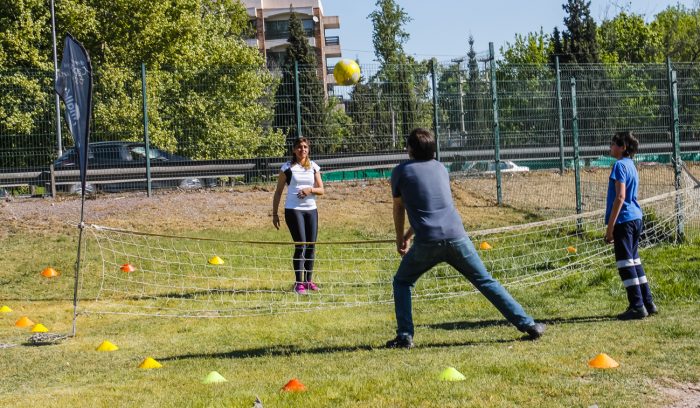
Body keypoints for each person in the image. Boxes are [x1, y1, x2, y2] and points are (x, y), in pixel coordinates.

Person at [386, 128, 545, 349]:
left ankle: (404, 336)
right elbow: (433, 207)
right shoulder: (441, 168)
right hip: (456, 236)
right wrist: (408, 235)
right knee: (485, 281)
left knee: (402, 282)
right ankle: (529, 325)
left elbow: (399, 207)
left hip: (427, 241)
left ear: (410, 149)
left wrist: (400, 238)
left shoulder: (400, 171)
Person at [604, 131, 657, 320]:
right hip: (636, 217)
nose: (610, 147)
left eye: (613, 144)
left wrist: (610, 228)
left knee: (625, 263)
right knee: (634, 261)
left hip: (624, 220)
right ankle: (648, 302)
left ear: (623, 147)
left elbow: (620, 197)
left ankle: (637, 306)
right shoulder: (631, 165)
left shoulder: (619, 165)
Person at [272, 137, 325, 295]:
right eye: (300, 147)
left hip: (311, 209)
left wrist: (310, 190)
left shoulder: (314, 167)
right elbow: (278, 192)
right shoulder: (287, 168)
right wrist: (275, 214)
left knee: (311, 245)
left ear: (308, 149)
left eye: (305, 147)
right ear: (294, 150)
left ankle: (308, 281)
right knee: (301, 244)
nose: (303, 150)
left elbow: (321, 189)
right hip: (293, 209)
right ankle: (299, 283)